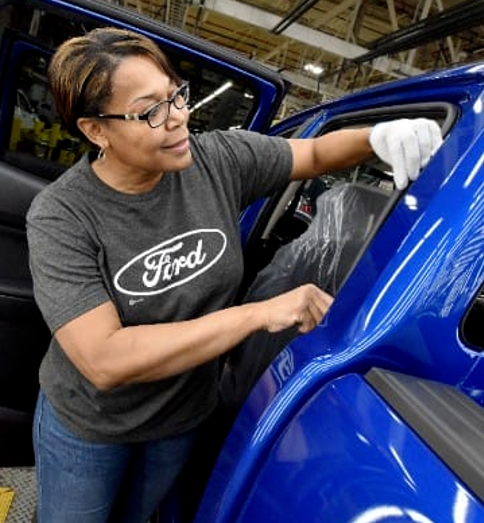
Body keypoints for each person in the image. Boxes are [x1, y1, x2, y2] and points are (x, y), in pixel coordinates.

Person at [26, 27, 442, 523]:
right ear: (97, 130)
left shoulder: (216, 160)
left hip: (180, 418)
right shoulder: (62, 215)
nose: (179, 119)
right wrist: (258, 314)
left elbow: (310, 156)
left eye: (176, 95)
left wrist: (376, 138)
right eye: (150, 111)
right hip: (91, 427)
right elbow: (104, 359)